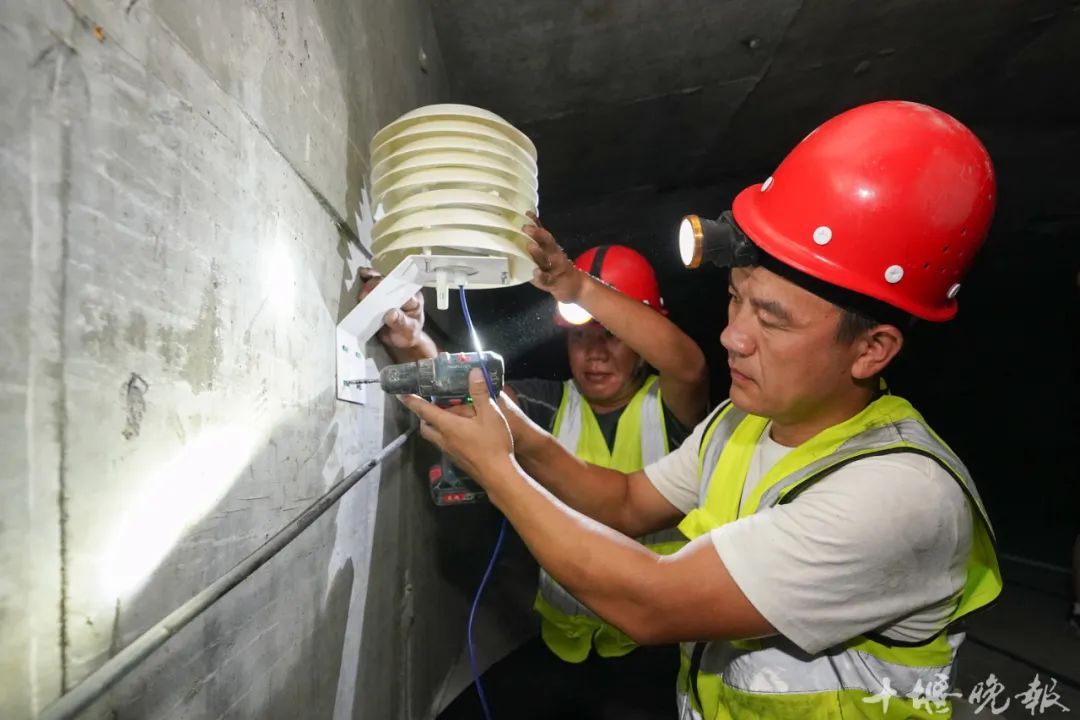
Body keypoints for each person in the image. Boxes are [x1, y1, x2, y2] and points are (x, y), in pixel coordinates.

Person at [401, 100, 1004, 720]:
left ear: (871, 349)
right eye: (736, 299)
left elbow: (651, 602)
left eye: (772, 320)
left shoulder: (897, 495)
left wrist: (497, 471)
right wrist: (515, 436)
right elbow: (627, 502)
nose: (732, 337)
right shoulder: (740, 423)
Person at [360, 229, 709, 715]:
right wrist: (411, 338)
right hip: (564, 641)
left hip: (653, 645)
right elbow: (474, 396)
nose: (594, 353)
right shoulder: (551, 403)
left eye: (612, 335)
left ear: (640, 338)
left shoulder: (670, 410)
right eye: (580, 336)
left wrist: (581, 290)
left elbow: (688, 367)